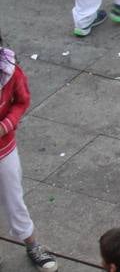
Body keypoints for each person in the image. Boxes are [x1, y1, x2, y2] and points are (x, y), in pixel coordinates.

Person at [0, 33, 60, 271]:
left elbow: (21, 101)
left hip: (4, 150)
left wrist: (5, 125)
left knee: (14, 199)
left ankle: (32, 245)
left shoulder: (9, 71)